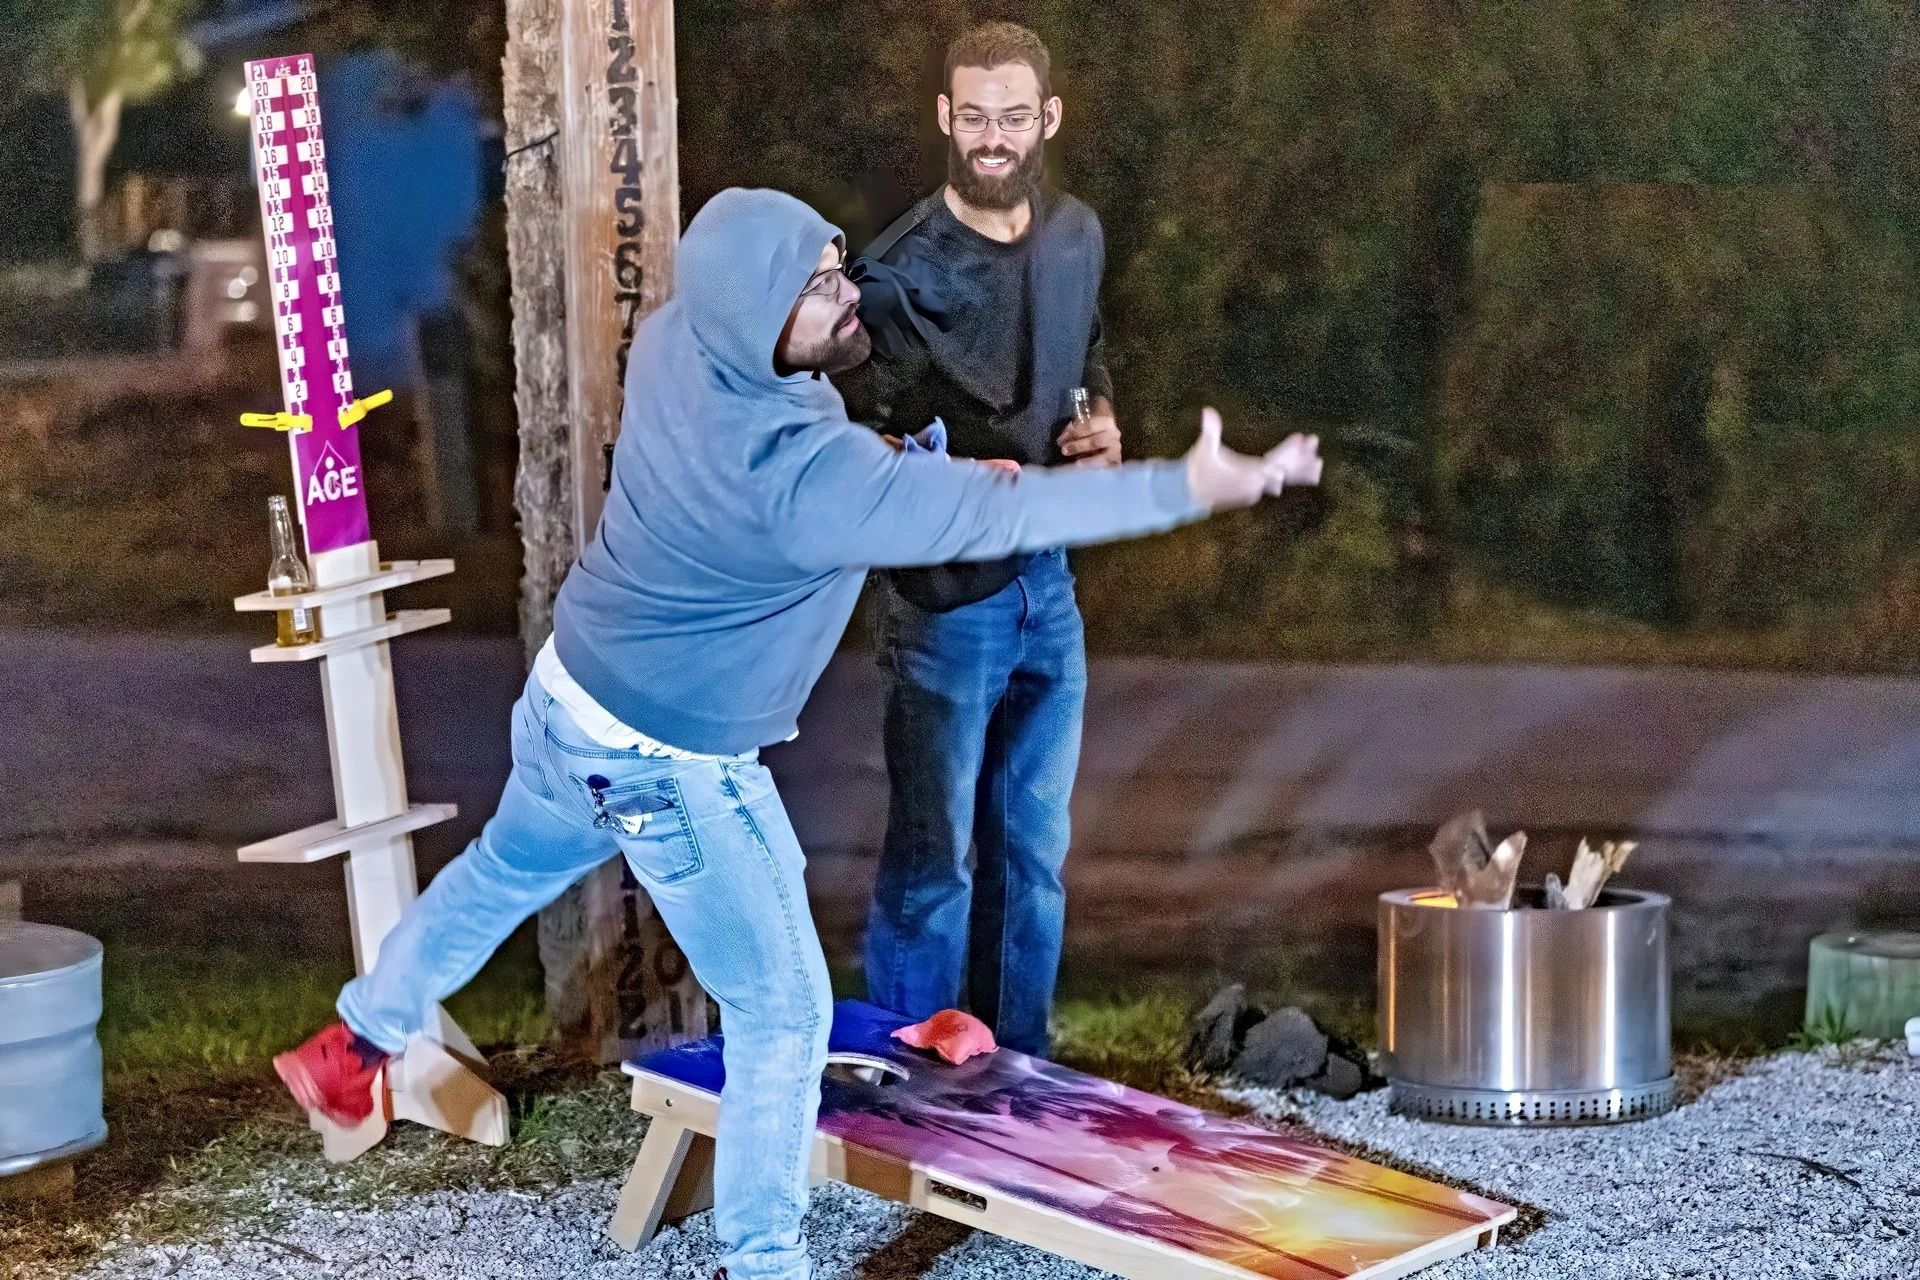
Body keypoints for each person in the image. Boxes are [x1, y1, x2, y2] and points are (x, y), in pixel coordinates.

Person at [272, 186, 1322, 1280]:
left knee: (497, 872)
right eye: (817, 287)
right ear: (758, 315)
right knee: (783, 1007)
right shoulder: (803, 482)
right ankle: (765, 1261)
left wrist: (910, 462)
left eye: (834, 261)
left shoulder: (681, 345)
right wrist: (1190, 484)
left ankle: (358, 1040)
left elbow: (851, 452)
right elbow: (1002, 515)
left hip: (570, 699)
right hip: (672, 764)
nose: (846, 290)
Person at [843, 21, 1123, 1055]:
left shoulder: (1076, 235)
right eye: (974, 117)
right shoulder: (897, 276)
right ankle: (908, 1080)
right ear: (944, 119)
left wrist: (1102, 422)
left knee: (1034, 851)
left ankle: (1019, 1077)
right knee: (935, 863)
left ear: (1047, 118)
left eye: (1013, 117)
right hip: (945, 599)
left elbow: (1086, 350)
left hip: (1048, 585)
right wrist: (944, 475)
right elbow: (852, 449)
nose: (993, 139)